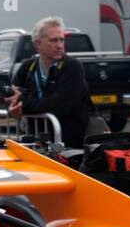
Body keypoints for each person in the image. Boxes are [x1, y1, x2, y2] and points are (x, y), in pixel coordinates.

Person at [8, 16, 93, 148]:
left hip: (71, 145)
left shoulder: (72, 67)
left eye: (61, 40)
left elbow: (60, 105)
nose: (59, 45)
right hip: (37, 143)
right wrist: (13, 109)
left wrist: (24, 105)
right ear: (38, 44)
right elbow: (11, 97)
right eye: (53, 40)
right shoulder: (28, 67)